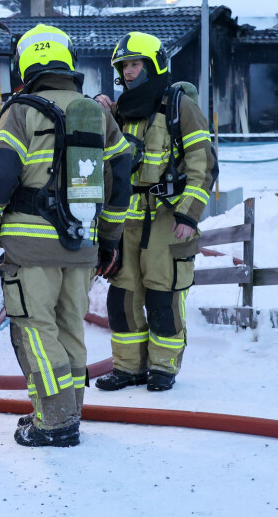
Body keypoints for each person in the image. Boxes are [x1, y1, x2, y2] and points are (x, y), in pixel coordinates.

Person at [0, 24, 132, 448]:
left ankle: (56, 423)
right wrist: (110, 239)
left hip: (30, 250)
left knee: (35, 330)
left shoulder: (20, 111)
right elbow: (122, 177)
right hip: (83, 245)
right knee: (69, 331)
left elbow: (3, 175)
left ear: (26, 63)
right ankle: (64, 413)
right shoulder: (96, 113)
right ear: (68, 59)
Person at [95, 31, 215, 394]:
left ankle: (163, 369)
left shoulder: (180, 107)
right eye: (123, 67)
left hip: (168, 217)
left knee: (162, 297)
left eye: (134, 65)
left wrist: (188, 215)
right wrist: (98, 115)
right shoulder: (119, 112)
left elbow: (203, 165)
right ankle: (129, 368)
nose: (128, 73)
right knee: (122, 298)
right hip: (128, 219)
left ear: (153, 64)